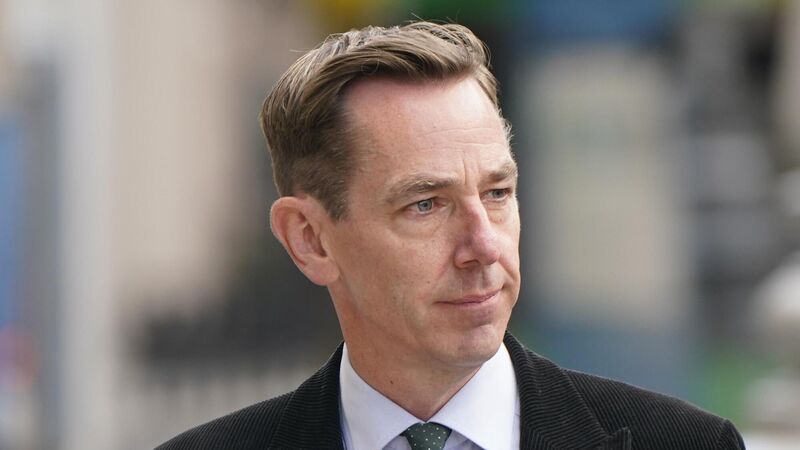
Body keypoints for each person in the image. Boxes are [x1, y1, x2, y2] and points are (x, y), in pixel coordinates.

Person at [157, 22, 745, 450]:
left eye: (497, 193)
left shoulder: (688, 443)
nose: (484, 247)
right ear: (310, 239)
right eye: (426, 205)